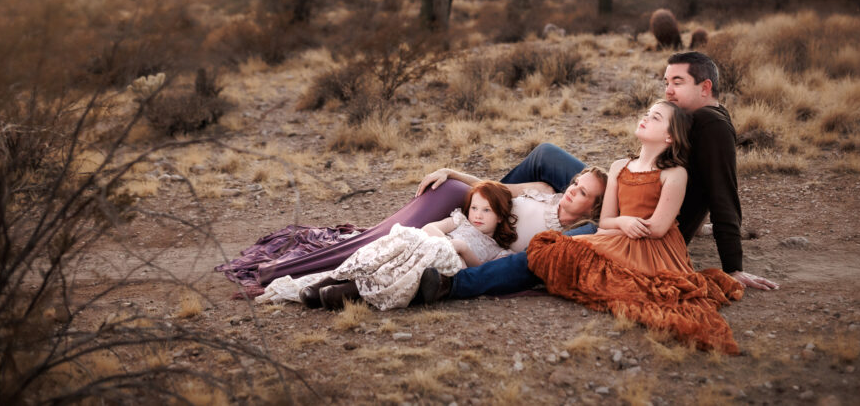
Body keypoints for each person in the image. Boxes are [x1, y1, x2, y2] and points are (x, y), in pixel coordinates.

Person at [416, 50, 776, 303]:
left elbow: (724, 195)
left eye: (677, 83)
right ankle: (486, 209)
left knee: (554, 252)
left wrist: (734, 267)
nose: (667, 91)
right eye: (666, 81)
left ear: (705, 88)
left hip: (644, 223)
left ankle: (459, 281)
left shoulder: (713, 126)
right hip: (627, 190)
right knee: (546, 155)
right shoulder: (689, 115)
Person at [527, 100, 744, 354]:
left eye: (655, 117)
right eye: (647, 113)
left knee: (652, 292)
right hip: (620, 232)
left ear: (670, 136)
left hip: (654, 247)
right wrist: (623, 221)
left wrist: (628, 226)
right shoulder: (619, 166)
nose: (645, 118)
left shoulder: (675, 173)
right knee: (551, 249)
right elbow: (606, 221)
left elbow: (659, 228)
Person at [248, 167, 608, 304]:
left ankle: (345, 292)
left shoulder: (563, 239)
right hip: (462, 228)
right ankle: (332, 280)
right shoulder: (544, 187)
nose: (573, 189)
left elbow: (508, 263)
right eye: (575, 182)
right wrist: (451, 171)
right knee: (403, 242)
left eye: (583, 191)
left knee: (420, 260)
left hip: (480, 247)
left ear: (593, 208)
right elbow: (493, 188)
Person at [299, 181, 518, 311]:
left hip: (450, 262)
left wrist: (462, 249)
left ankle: (346, 292)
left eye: (486, 210)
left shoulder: (498, 251)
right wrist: (447, 243)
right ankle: (330, 281)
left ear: (500, 216)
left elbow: (481, 273)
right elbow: (431, 228)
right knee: (392, 245)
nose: (477, 215)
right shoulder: (460, 221)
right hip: (430, 246)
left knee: (413, 266)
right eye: (475, 208)